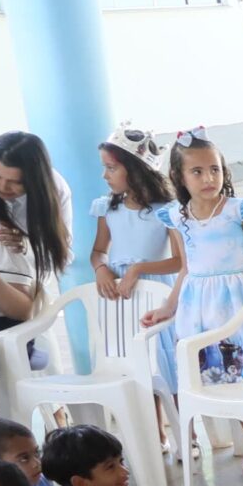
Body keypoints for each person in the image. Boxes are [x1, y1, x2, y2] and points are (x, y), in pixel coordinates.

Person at [142, 132, 243, 478]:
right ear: (180, 177)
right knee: (221, 379)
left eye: (214, 169)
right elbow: (186, 268)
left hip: (240, 304)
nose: (208, 179)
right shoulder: (178, 217)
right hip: (199, 309)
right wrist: (169, 306)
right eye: (197, 172)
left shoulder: (238, 210)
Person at [0, 130, 70, 412]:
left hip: (9, 306)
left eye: (14, 182)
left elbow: (60, 252)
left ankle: (55, 409)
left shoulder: (52, 192)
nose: (2, 186)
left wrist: (30, 243)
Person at [88, 138, 176, 361]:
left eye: (111, 168)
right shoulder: (107, 208)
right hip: (118, 292)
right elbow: (98, 251)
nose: (104, 175)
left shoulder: (167, 211)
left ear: (136, 170)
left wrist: (137, 269)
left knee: (157, 355)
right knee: (124, 353)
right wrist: (100, 269)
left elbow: (179, 262)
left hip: (155, 291)